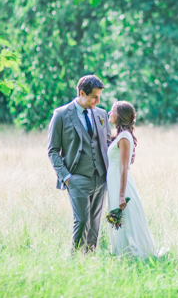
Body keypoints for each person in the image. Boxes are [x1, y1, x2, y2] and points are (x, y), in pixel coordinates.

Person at [47, 75, 110, 251]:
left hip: (100, 178)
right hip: (77, 177)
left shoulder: (101, 114)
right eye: (94, 97)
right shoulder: (61, 115)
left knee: (95, 224)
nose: (97, 101)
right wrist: (66, 177)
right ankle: (75, 261)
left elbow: (107, 143)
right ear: (82, 93)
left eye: (99, 97)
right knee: (82, 221)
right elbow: (52, 150)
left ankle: (90, 260)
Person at [106, 101, 158, 258]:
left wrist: (122, 195)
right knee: (119, 219)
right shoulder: (120, 136)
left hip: (121, 184)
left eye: (112, 111)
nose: (109, 113)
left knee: (125, 218)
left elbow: (124, 167)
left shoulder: (124, 137)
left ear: (119, 115)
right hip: (114, 182)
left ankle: (133, 254)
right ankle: (121, 253)